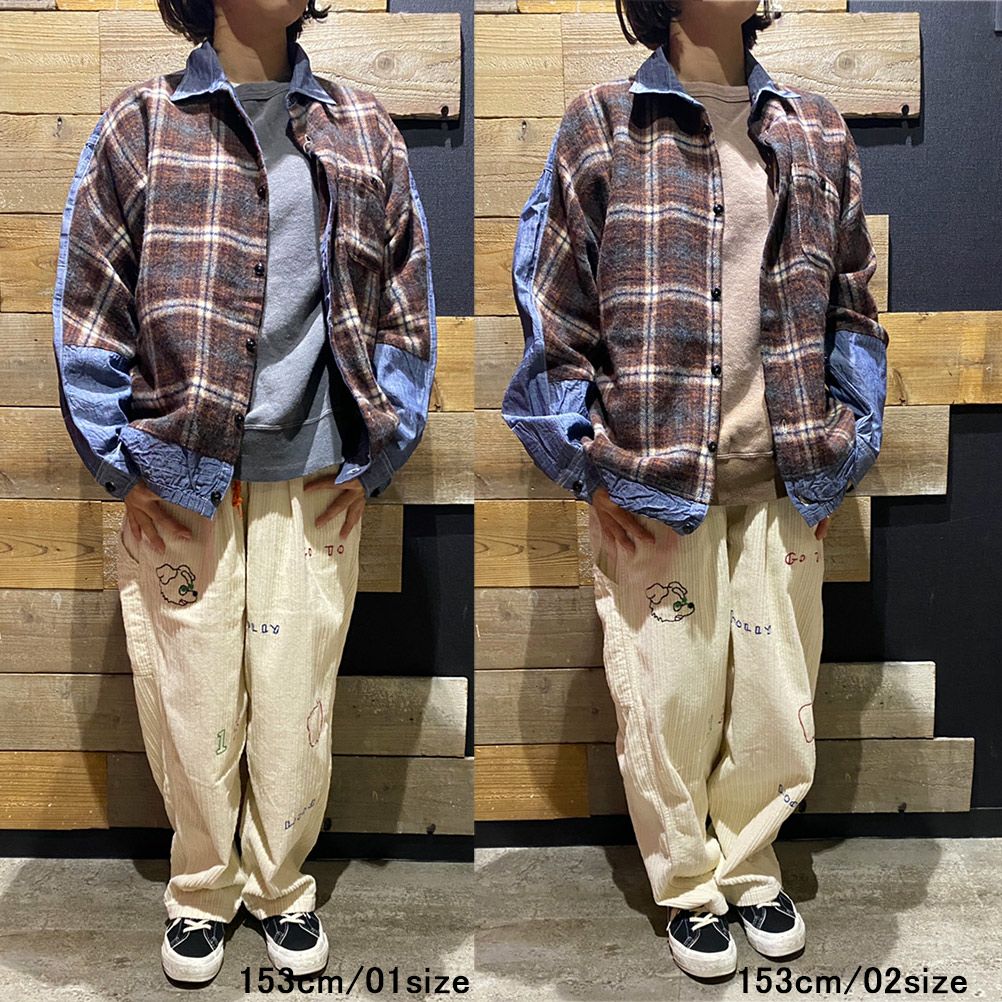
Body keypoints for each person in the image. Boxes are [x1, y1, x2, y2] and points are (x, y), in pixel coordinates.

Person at [51, 0, 436, 985]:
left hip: (315, 478)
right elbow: (90, 304)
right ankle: (201, 889)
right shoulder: (141, 124)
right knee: (189, 700)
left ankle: (281, 887)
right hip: (180, 475)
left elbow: (404, 304)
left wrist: (379, 451)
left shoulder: (362, 127)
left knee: (297, 699)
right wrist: (119, 461)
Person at [503, 0, 886, 981]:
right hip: (650, 482)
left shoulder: (815, 130)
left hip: (783, 477)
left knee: (774, 698)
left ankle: (750, 866)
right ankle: (686, 885)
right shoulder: (602, 124)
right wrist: (585, 460)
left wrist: (845, 445)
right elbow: (556, 309)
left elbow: (852, 306)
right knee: (665, 700)